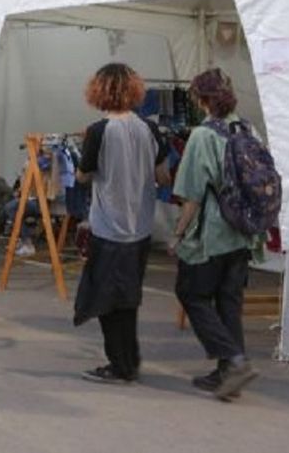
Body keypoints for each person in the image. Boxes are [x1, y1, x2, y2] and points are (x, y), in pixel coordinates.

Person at [73, 63, 169, 385]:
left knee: (106, 300)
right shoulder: (150, 130)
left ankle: (120, 364)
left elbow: (84, 175)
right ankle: (130, 359)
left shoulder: (98, 131)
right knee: (129, 297)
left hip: (108, 225)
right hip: (141, 225)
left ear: (98, 91)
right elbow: (162, 176)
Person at [170, 68, 260, 400]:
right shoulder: (248, 129)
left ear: (202, 100)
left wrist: (178, 234)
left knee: (191, 293)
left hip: (213, 233)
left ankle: (235, 361)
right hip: (243, 232)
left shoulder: (203, 136)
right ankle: (227, 374)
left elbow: (192, 195)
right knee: (228, 302)